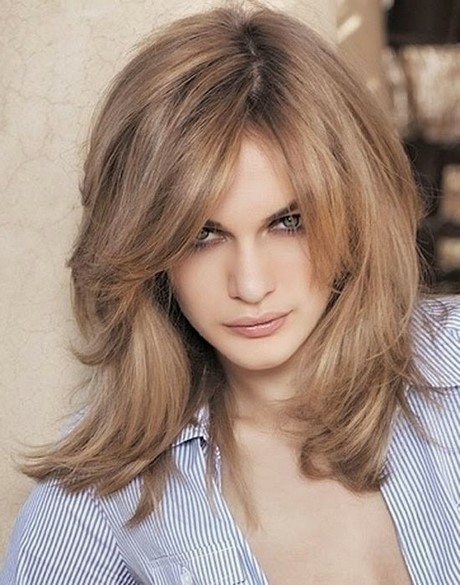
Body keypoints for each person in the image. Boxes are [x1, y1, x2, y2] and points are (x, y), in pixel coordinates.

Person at [1, 4, 459, 585]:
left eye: (289, 222)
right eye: (203, 235)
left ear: (354, 215)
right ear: (149, 251)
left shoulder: (452, 365)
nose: (250, 285)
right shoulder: (99, 502)